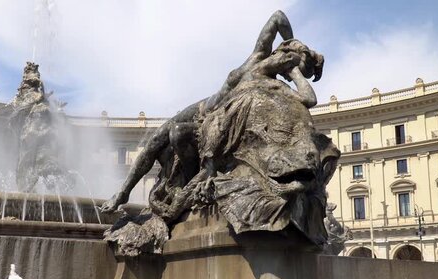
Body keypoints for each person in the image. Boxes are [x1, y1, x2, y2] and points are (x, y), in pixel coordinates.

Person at [101, 10, 323, 213]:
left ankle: (189, 187)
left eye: (291, 71)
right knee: (157, 137)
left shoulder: (271, 87)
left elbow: (308, 99)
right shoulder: (258, 55)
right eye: (290, 65)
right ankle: (123, 193)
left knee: (177, 133)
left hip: (215, 124)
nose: (287, 72)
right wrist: (292, 43)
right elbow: (278, 17)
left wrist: (295, 72)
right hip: (204, 107)